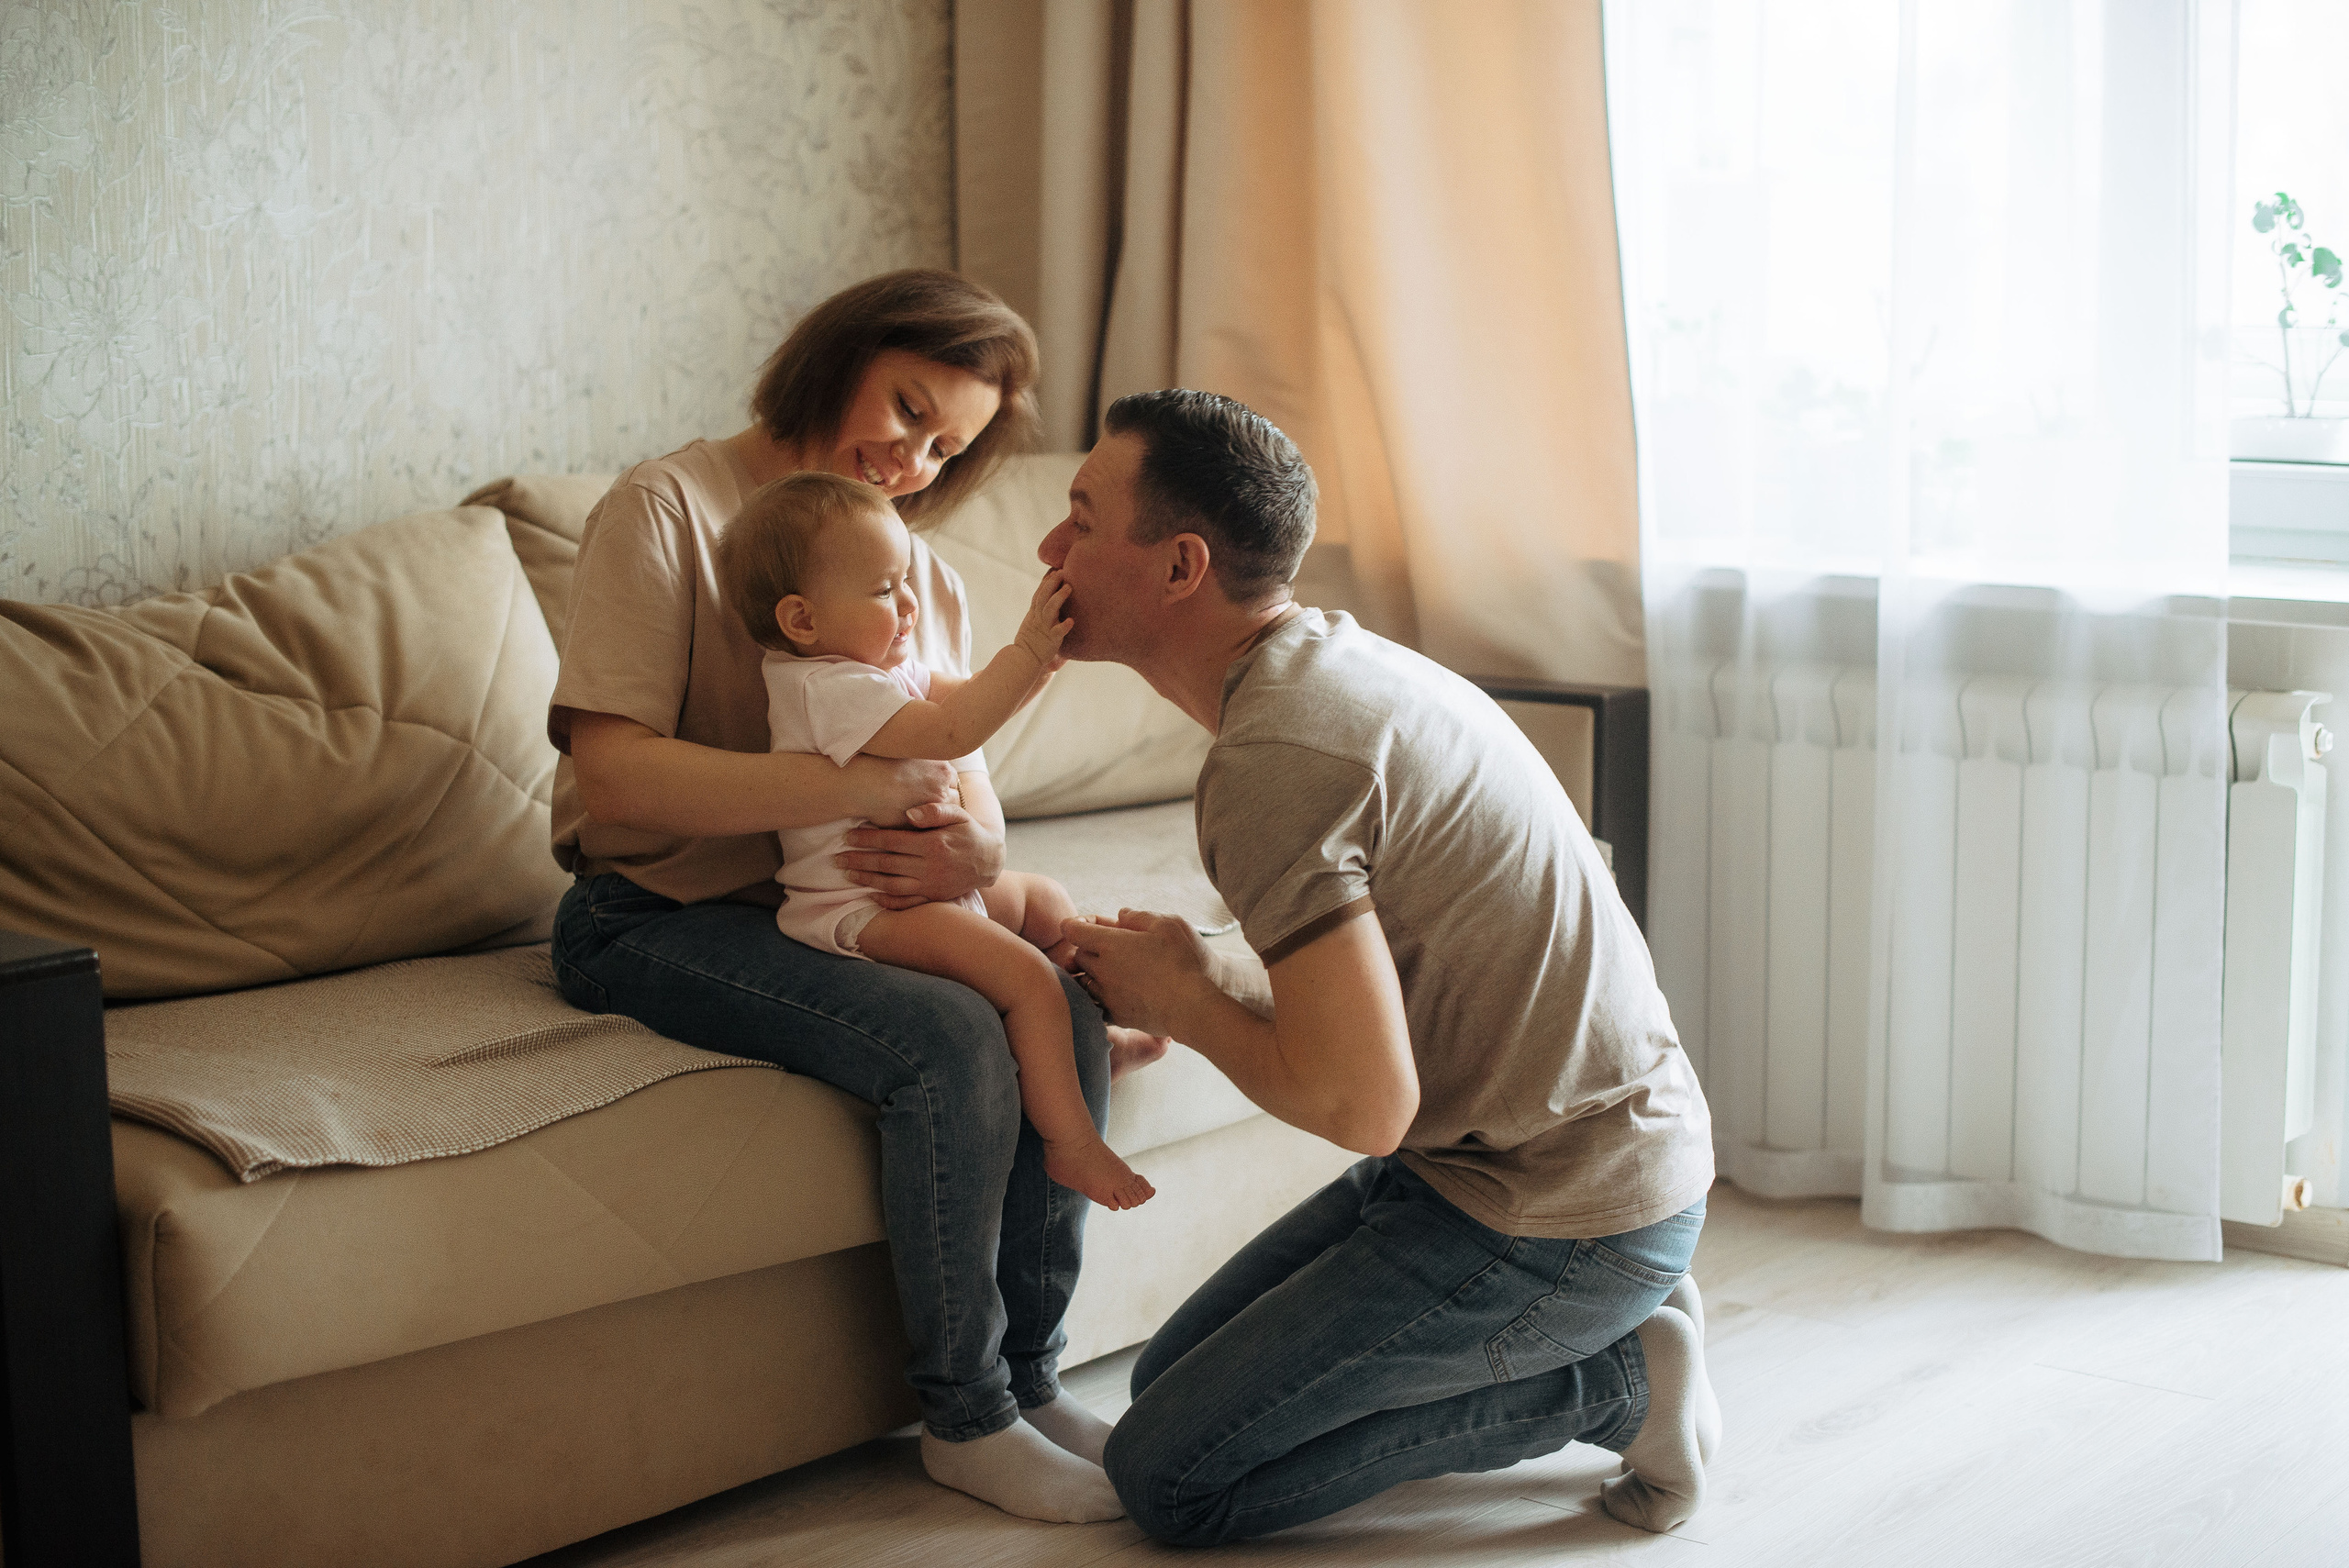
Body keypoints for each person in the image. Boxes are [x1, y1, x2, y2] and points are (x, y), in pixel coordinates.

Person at [1049, 389, 1721, 1544]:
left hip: (1560, 1215)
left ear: (1179, 566)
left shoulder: (1279, 754)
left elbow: (1363, 1102)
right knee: (1162, 1393)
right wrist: (1199, 967)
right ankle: (1605, 1336)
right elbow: (1386, 979)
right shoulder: (1329, 672)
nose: (1052, 549)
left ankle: (1615, 1384)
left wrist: (1185, 1000)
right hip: (1494, 1167)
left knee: (1170, 1479)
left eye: (1077, 516)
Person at [546, 270, 1137, 1524]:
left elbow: (961, 784)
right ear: (840, 355)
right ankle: (965, 1416)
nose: (908, 457)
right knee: (944, 1040)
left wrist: (977, 861)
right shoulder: (668, 510)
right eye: (907, 406)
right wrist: (852, 790)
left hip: (835, 903)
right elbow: (615, 781)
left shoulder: (908, 569)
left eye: (942, 447)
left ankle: (1030, 1379)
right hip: (651, 913)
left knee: (1067, 1016)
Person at [716, 469, 1157, 1210]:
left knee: (1047, 903)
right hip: (868, 905)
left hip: (931, 883)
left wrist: (1037, 666)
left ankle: (1088, 1048)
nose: (910, 603)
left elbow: (960, 698)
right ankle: (1072, 1143)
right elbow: (952, 731)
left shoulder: (879, 666)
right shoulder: (824, 687)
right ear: (802, 619)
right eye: (885, 590)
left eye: (906, 580)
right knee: (1028, 981)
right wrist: (1023, 650)